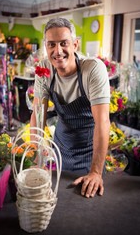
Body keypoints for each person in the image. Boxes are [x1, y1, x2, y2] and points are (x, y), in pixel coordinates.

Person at [30, 18, 110, 198]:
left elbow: (103, 122)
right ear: (45, 46)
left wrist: (96, 172)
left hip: (90, 151)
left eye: (63, 43)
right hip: (61, 148)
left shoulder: (92, 69)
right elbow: (38, 115)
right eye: (51, 44)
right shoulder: (44, 68)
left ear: (75, 44)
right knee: (59, 198)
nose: (57, 51)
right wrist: (37, 158)